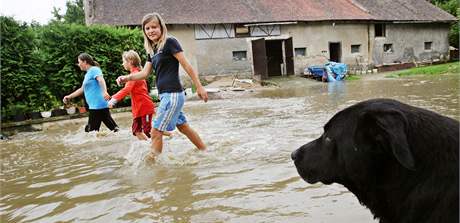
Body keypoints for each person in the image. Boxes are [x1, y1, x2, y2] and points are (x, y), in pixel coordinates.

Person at [116, 13, 208, 160]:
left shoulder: (170, 42)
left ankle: (154, 166)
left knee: (155, 132)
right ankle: (205, 151)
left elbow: (186, 65)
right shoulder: (151, 49)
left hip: (172, 94)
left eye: (154, 27)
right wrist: (127, 77)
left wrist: (199, 86)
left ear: (161, 27)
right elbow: (145, 73)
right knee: (183, 127)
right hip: (166, 95)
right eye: (147, 28)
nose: (151, 30)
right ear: (144, 31)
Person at [108, 50, 171, 140]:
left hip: (144, 107)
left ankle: (171, 134)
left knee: (148, 130)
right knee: (136, 131)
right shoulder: (135, 74)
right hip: (138, 109)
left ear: (130, 61)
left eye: (123, 61)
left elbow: (126, 90)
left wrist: (113, 100)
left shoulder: (136, 75)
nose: (122, 64)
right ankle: (147, 146)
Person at [63, 53, 119, 132]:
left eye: (79, 62)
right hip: (96, 105)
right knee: (112, 128)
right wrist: (70, 96)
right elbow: (82, 89)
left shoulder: (94, 69)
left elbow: (101, 80)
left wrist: (105, 92)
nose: (78, 64)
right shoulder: (88, 74)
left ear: (85, 62)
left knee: (91, 132)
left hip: (97, 105)